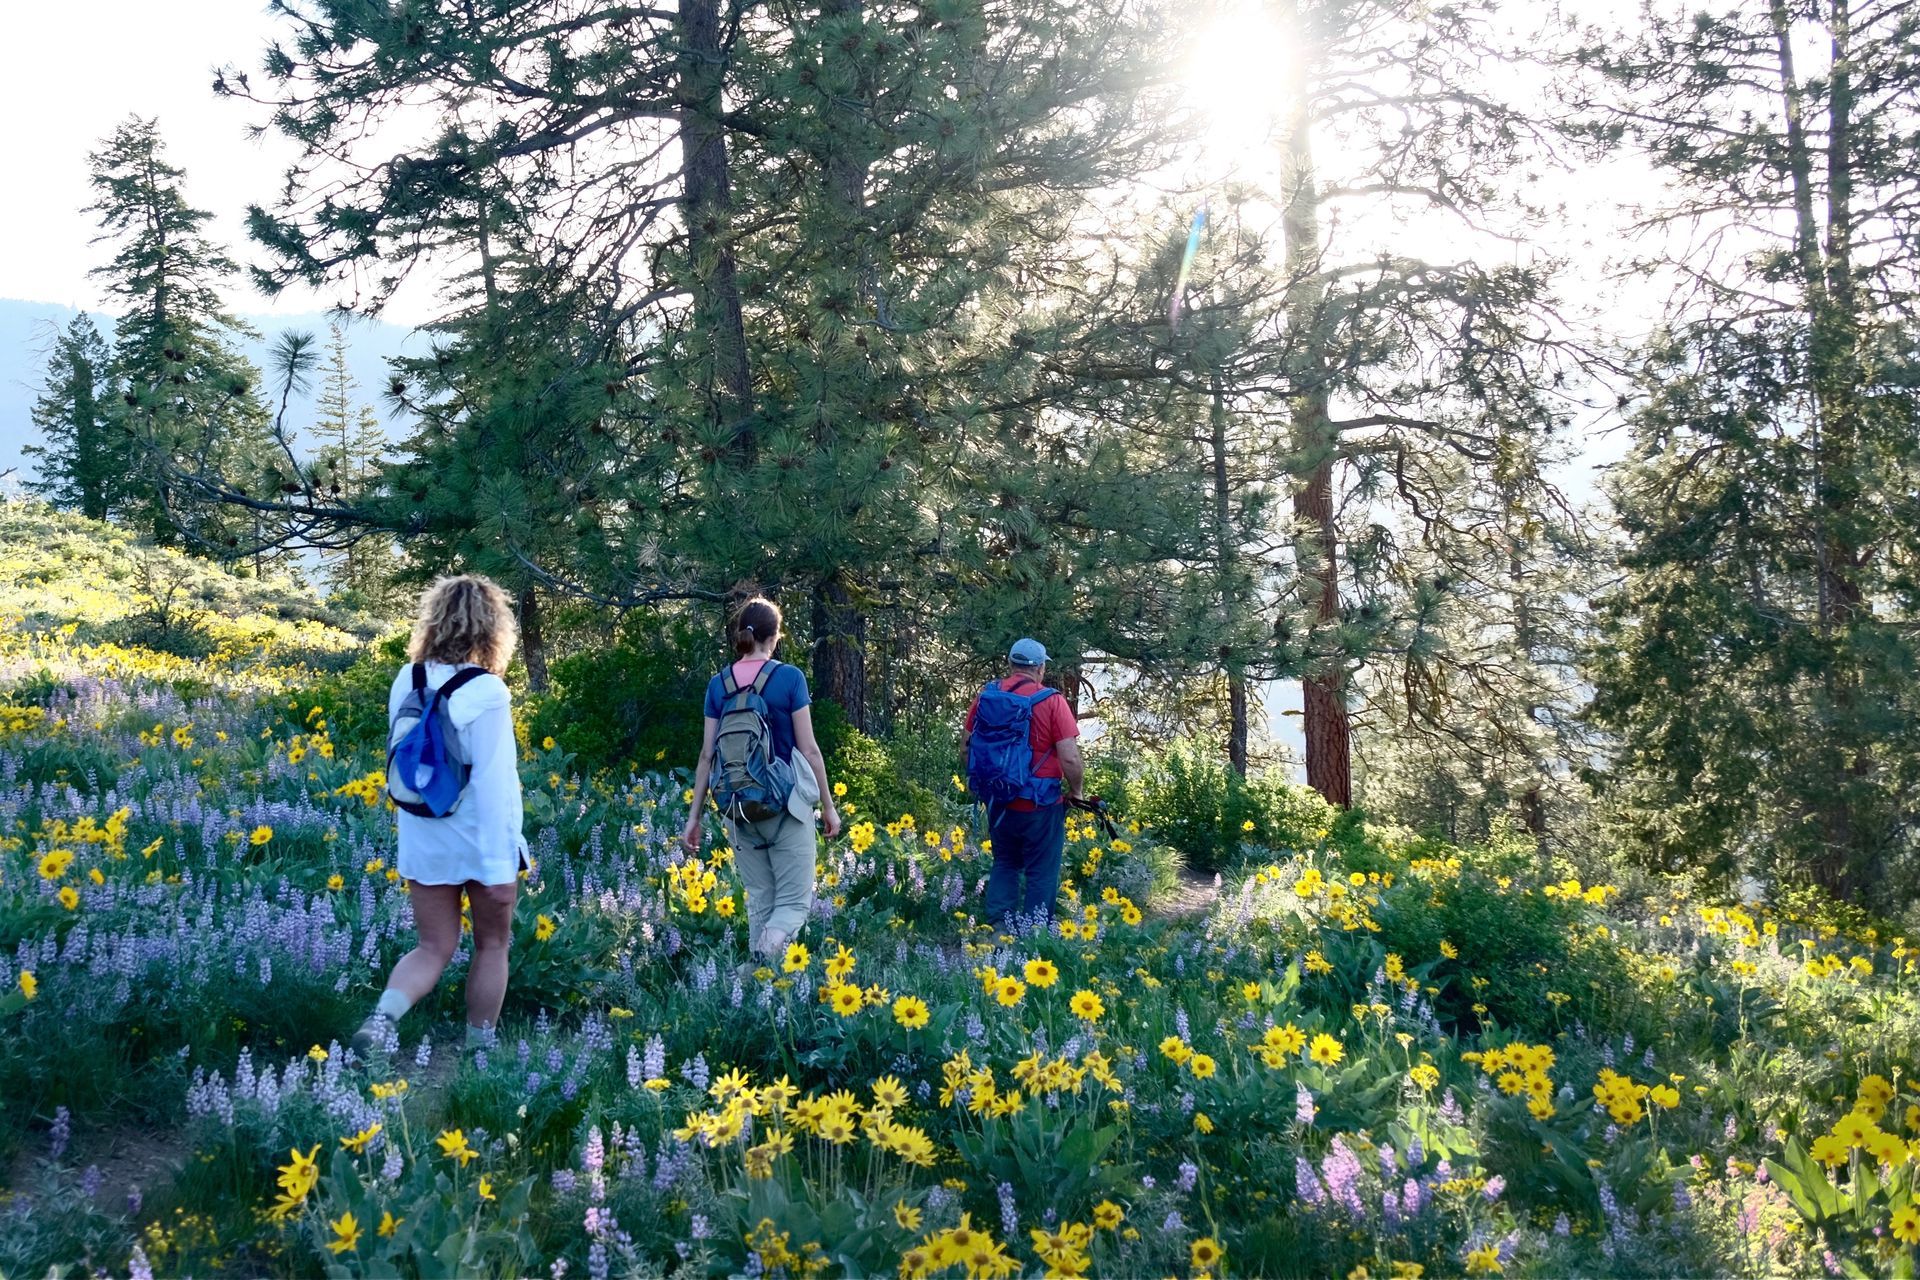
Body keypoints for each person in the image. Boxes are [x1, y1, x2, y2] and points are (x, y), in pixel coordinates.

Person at [352, 575, 527, 1055]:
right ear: (493, 629)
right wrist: (503, 866)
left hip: (424, 833)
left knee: (432, 947)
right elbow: (494, 784)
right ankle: (478, 1050)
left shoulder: (405, 679)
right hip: (478, 838)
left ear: (433, 622)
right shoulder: (487, 690)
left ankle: (383, 1018)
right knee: (492, 945)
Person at [682, 597, 842, 963]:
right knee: (793, 904)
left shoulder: (717, 685)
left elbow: (707, 756)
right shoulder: (789, 678)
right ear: (774, 636)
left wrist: (694, 817)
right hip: (785, 807)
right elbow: (811, 750)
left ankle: (761, 995)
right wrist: (828, 807)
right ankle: (758, 965)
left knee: (761, 901)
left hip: (737, 810)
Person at [962, 638, 1084, 927]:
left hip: (1000, 802)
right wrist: (1076, 790)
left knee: (1004, 862)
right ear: (1040, 668)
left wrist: (980, 780)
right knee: (1041, 871)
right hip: (1040, 804)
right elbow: (1069, 758)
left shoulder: (987, 696)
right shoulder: (1052, 701)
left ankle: (998, 928)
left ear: (1010, 664)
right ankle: (1034, 935)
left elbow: (966, 746)